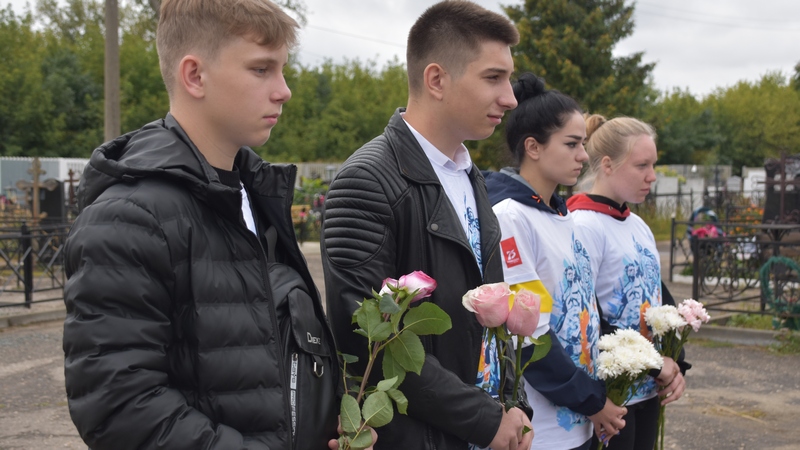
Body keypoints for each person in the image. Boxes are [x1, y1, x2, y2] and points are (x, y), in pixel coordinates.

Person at [61, 0, 352, 448]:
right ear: (195, 75)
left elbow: (268, 364)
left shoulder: (255, 195)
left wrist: (331, 423)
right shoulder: (129, 218)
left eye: (282, 69)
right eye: (261, 69)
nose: (284, 91)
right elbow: (119, 408)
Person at [321, 1, 533, 449]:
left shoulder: (469, 175)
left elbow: (494, 308)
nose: (510, 98)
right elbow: (369, 343)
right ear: (436, 79)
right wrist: (484, 420)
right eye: (493, 78)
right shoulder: (368, 180)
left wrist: (515, 406)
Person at [483, 73, 627, 450]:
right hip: (542, 428)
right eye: (572, 144)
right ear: (533, 146)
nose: (584, 156)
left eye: (584, 145)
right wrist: (592, 401)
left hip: (579, 421)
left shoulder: (562, 215)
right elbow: (528, 333)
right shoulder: (511, 218)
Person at [567, 114, 690, 450]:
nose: (652, 176)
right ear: (607, 164)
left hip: (648, 387)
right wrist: (654, 364)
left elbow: (658, 299)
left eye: (654, 165)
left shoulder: (638, 225)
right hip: (611, 394)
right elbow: (585, 317)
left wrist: (676, 363)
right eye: (641, 165)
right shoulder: (583, 225)